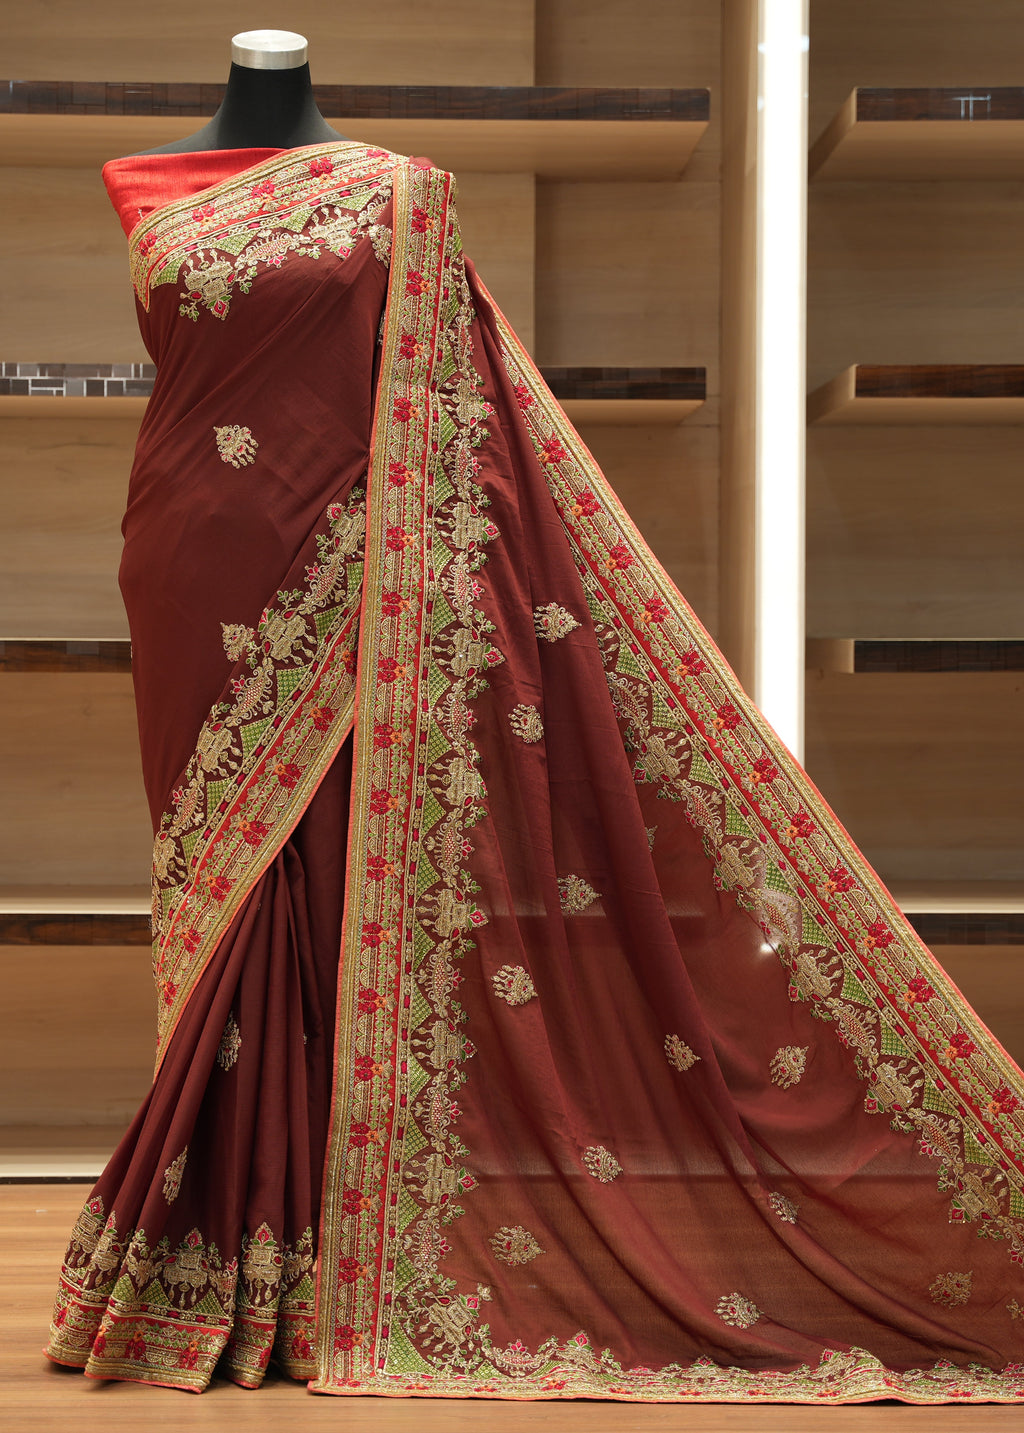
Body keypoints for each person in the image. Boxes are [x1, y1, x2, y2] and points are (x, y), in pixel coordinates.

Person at [44, 30, 1024, 1404]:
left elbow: (450, 398)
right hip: (185, 558)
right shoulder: (142, 179)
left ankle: (304, 1256)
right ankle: (217, 1244)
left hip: (351, 565)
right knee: (218, 892)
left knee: (321, 887)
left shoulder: (399, 190)